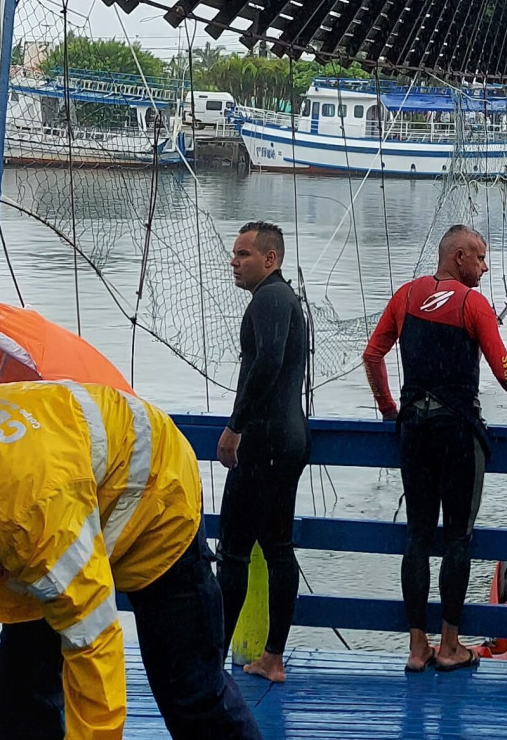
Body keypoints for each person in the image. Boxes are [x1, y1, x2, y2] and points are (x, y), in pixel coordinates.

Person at [0, 379, 259, 740]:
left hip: (157, 496)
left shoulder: (26, 515)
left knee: (190, 688)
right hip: (67, 490)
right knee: (24, 682)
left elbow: (93, 642)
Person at [363, 223, 507, 673]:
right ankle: (450, 646)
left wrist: (388, 407)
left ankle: (416, 647)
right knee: (458, 534)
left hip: (413, 429)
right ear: (458, 257)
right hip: (456, 429)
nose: (484, 266)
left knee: (418, 534)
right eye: (479, 257)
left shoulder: (405, 296)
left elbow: (373, 354)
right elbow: (503, 370)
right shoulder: (472, 303)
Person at [215, 221, 310, 684]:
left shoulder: (270, 299)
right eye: (234, 254)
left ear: (270, 259)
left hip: (266, 440)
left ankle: (211, 658)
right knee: (276, 547)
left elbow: (268, 362)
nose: (234, 261)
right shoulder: (284, 297)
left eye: (243, 254)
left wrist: (236, 427)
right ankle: (273, 656)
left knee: (233, 551)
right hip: (287, 437)